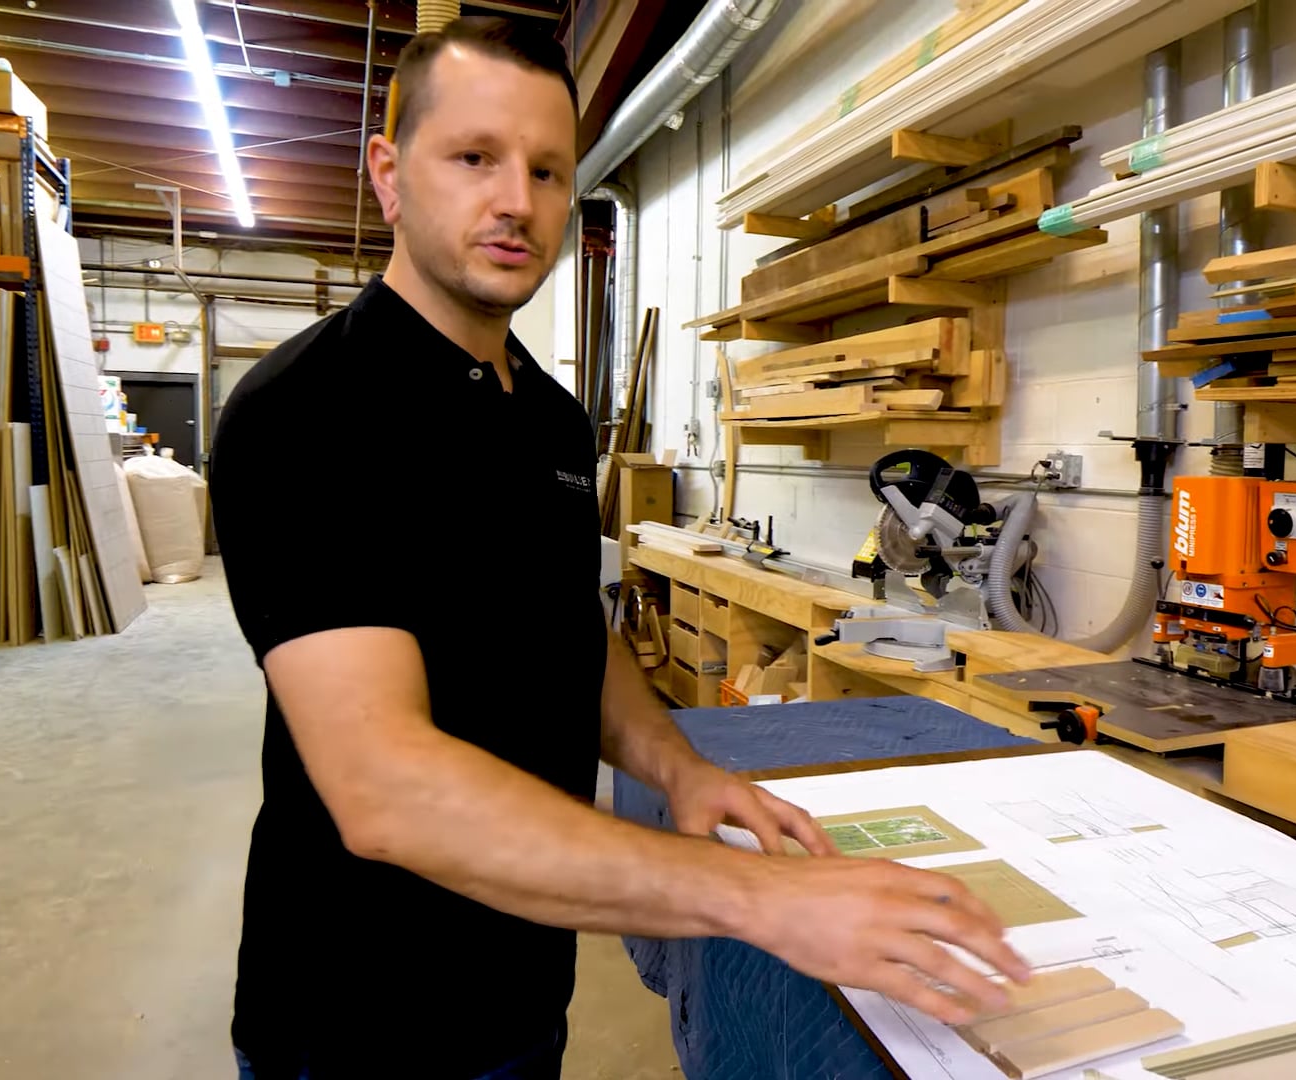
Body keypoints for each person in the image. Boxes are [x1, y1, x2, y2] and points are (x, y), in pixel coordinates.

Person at [210, 17, 1028, 1079]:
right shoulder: (308, 413)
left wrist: (678, 768)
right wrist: (759, 900)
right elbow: (383, 788)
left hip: (521, 987)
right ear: (389, 171)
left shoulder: (548, 420)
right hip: (360, 1020)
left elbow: (570, 636)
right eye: (473, 158)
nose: (517, 201)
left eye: (548, 171)